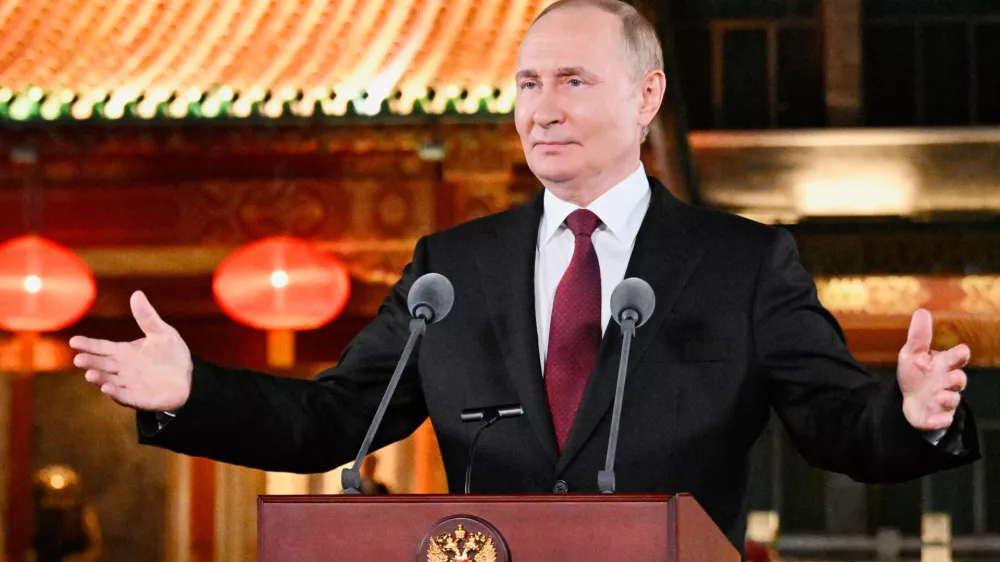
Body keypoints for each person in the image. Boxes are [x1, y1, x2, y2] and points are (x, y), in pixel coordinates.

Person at [69, 0, 979, 556]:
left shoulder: (742, 263)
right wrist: (191, 391)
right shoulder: (451, 269)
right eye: (528, 84)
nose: (542, 110)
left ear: (647, 96)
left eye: (573, 81)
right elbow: (332, 420)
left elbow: (834, 425)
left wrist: (911, 414)